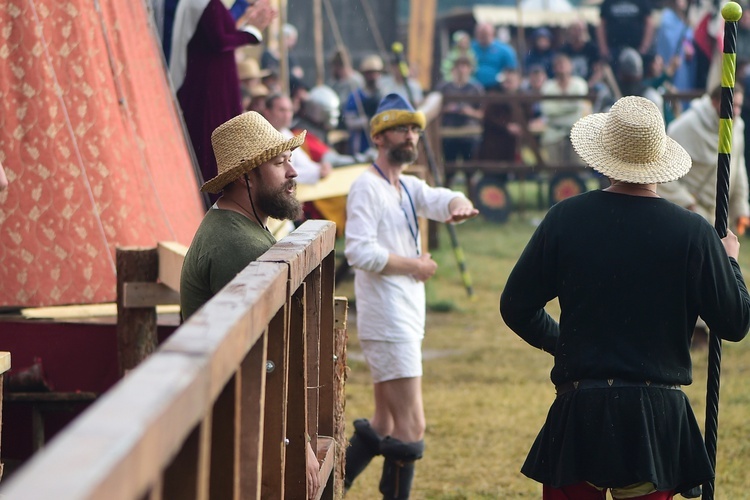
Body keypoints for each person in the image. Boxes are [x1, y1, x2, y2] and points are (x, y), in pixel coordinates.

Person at [500, 95, 750, 499]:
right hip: (654, 418)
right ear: (659, 162)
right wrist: (731, 262)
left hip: (582, 412)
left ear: (603, 157)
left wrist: (563, 344)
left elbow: (516, 306)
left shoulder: (565, 218)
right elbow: (735, 322)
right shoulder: (694, 233)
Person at [179, 111, 321, 498]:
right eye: (279, 163)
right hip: (236, 429)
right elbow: (263, 360)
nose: (293, 172)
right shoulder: (237, 245)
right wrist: (297, 442)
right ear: (246, 176)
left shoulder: (238, 224)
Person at [343, 93, 479, 499]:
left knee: (386, 421)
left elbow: (436, 198)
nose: (412, 136)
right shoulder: (367, 187)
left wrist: (459, 202)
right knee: (412, 426)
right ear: (380, 137)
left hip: (400, 316)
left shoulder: (403, 184)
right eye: (403, 129)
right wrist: (414, 266)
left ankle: (327, 489)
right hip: (388, 318)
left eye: (416, 129)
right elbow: (358, 251)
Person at [169, 0, 276, 205]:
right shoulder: (205, 4)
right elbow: (219, 39)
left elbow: (220, 31)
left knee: (221, 144)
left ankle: (224, 199)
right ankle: (216, 201)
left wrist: (245, 13)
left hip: (216, 87)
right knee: (214, 144)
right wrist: (251, 32)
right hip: (210, 90)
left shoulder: (210, 5)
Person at [264, 93, 332, 184]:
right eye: (282, 110)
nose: (287, 115)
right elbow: (280, 173)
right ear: (267, 112)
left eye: (290, 110)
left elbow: (304, 163)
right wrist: (317, 172)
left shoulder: (286, 133)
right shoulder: (264, 138)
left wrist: (320, 168)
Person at [539, 54, 589, 166]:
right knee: (554, 172)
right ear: (554, 68)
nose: (561, 67)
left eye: (564, 64)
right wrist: (568, 105)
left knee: (578, 171)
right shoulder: (548, 86)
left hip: (576, 134)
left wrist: (558, 106)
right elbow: (547, 110)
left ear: (570, 67)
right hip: (554, 133)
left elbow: (577, 105)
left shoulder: (579, 83)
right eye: (558, 65)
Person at [437, 56, 485, 170]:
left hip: (469, 133)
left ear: (469, 69)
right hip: (448, 132)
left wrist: (469, 112)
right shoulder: (444, 88)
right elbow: (435, 111)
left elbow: (482, 113)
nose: (461, 70)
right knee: (449, 168)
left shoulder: (476, 88)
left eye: (464, 66)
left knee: (470, 168)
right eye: (458, 66)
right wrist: (446, 109)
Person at [343, 55, 384, 154]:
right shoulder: (355, 96)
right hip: (360, 146)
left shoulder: (383, 96)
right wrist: (365, 121)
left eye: (374, 73)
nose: (372, 76)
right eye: (369, 73)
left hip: (380, 145)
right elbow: (349, 121)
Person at [597, 0, 655, 70]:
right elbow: (601, 26)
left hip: (636, 49)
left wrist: (644, 47)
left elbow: (649, 24)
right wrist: (603, 49)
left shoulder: (642, 2)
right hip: (614, 50)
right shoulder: (609, 2)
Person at [471, 22, 518, 91]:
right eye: (481, 34)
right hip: (472, 88)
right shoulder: (469, 48)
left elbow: (513, 71)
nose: (483, 37)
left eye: (485, 34)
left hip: (498, 88)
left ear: (492, 34)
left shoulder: (505, 50)